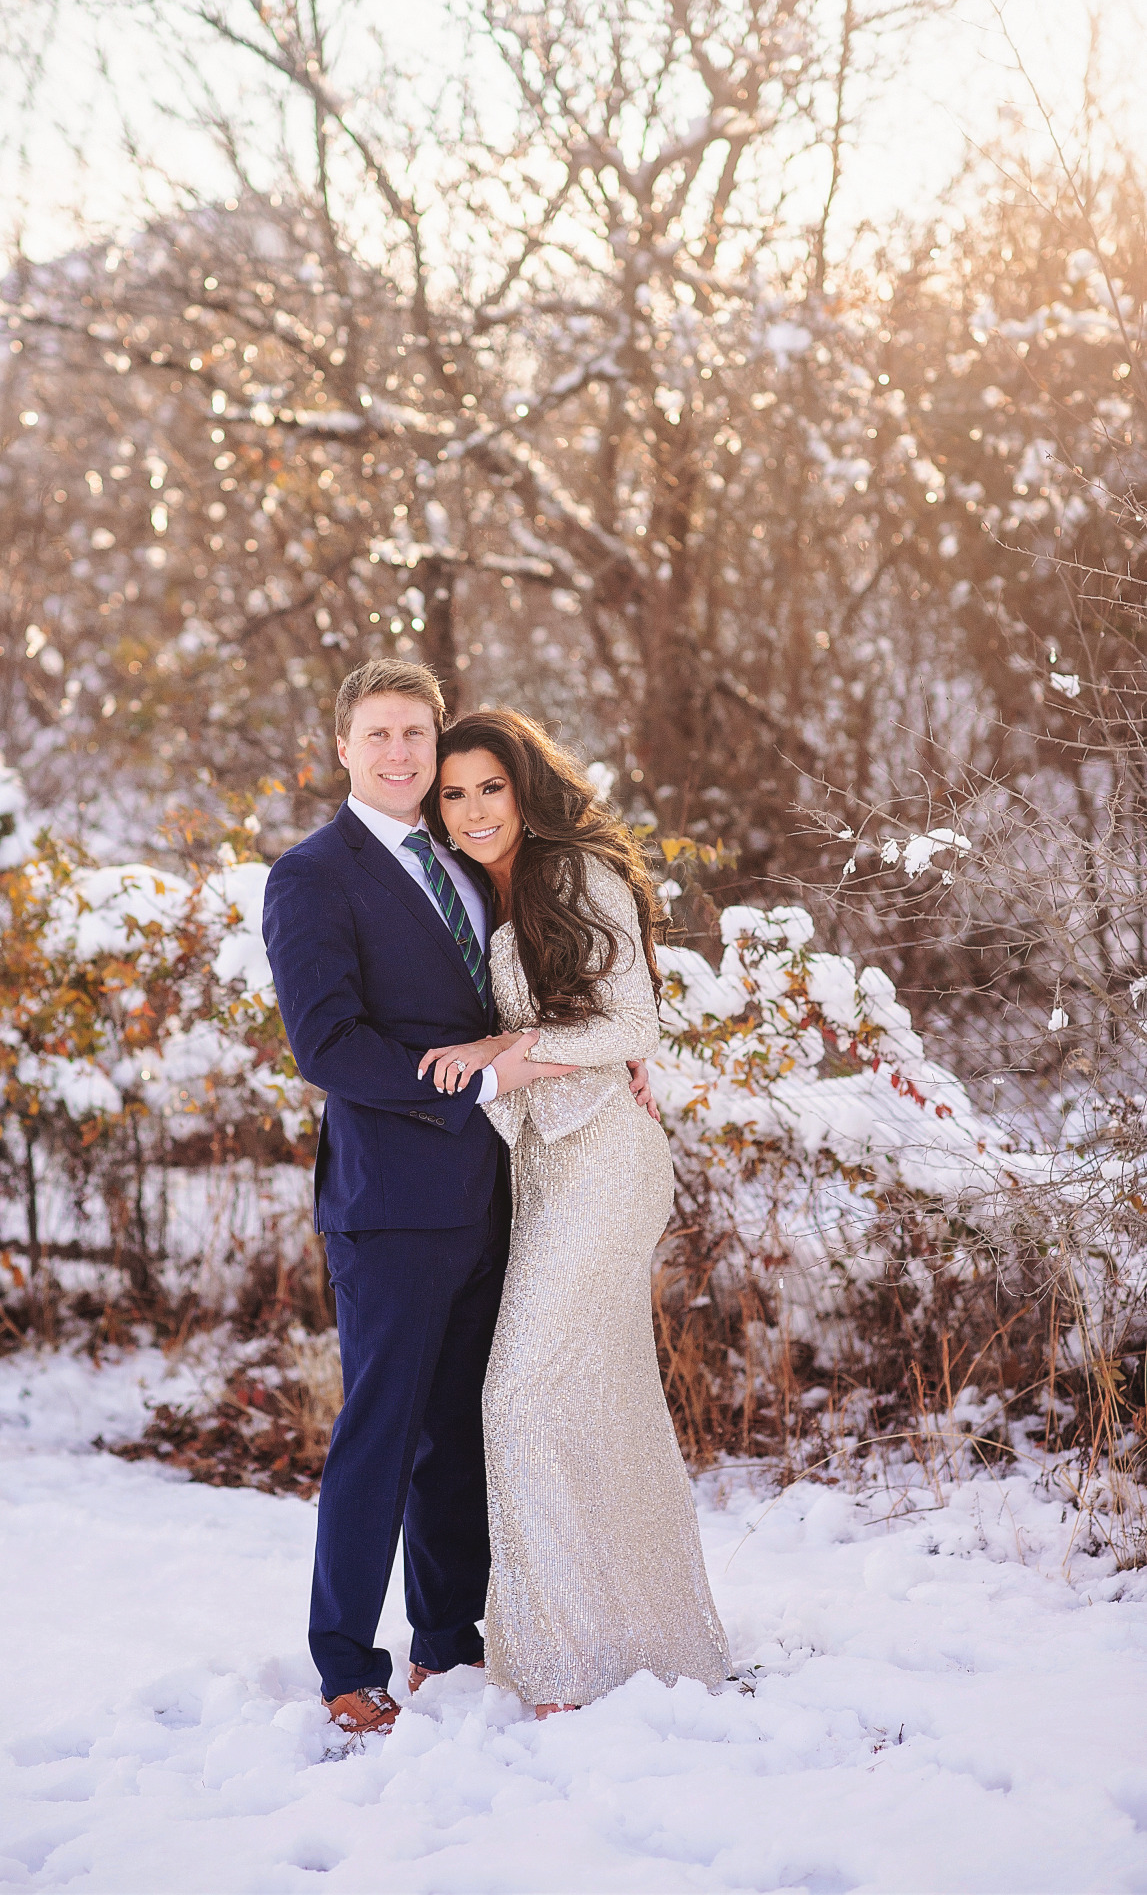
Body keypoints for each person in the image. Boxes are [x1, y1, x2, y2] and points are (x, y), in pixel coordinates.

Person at [261, 661, 577, 1737]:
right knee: (380, 1433)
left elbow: (527, 992)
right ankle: (347, 1661)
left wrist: (597, 1050)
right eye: (377, 733)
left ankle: (448, 1639)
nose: (399, 753)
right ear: (341, 744)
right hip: (389, 1201)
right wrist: (478, 1076)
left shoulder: (467, 857)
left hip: (488, 1193)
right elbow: (328, 1045)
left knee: (457, 1429)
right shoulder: (313, 874)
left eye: (415, 734)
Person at [419, 709, 731, 1717]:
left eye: (488, 787)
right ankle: (639, 1641)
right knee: (595, 1406)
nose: (471, 809)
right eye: (453, 792)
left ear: (522, 788)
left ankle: (558, 1671)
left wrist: (501, 1056)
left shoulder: (572, 872)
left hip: (605, 1164)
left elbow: (634, 1018)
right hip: (543, 1175)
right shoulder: (478, 890)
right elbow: (585, 1023)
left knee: (517, 1394)